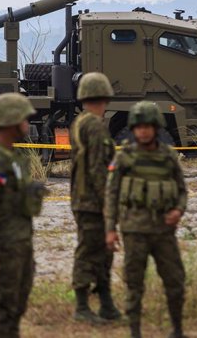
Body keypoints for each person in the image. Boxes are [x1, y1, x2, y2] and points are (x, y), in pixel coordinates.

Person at [105, 101, 187, 338]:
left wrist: (178, 211)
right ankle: (135, 332)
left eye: (147, 126)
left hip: (163, 231)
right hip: (134, 230)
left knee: (175, 281)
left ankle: (177, 330)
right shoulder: (125, 158)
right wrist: (110, 229)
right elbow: (111, 195)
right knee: (134, 285)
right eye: (138, 126)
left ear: (155, 127)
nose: (142, 131)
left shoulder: (168, 158)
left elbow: (182, 191)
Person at [0, 93, 45, 338]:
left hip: (21, 240)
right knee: (4, 306)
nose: (27, 125)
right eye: (24, 119)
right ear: (11, 121)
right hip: (5, 244)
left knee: (18, 301)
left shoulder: (15, 158)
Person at [69, 72, 121, 323]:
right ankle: (82, 307)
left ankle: (106, 304)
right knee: (90, 252)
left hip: (83, 198)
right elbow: (99, 171)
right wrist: (108, 206)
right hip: (93, 201)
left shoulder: (80, 122)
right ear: (104, 96)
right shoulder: (96, 126)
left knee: (100, 253)